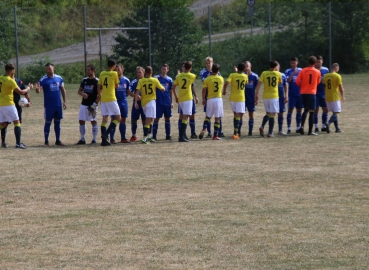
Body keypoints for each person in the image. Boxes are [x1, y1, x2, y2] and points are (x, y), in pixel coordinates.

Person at [0, 63, 31, 149]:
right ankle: (18, 144)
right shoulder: (10, 81)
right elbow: (21, 92)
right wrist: (29, 88)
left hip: (0, 105)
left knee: (2, 124)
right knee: (17, 122)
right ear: (12, 71)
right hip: (9, 104)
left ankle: (6, 142)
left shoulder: (0, 78)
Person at [35, 63, 67, 146]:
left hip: (58, 105)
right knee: (48, 122)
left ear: (53, 68)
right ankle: (46, 141)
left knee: (57, 122)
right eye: (47, 69)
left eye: (49, 69)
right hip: (49, 105)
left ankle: (58, 140)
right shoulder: (43, 80)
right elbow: (39, 91)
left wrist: (64, 101)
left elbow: (63, 90)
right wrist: (37, 89)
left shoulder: (59, 78)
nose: (48, 70)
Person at [134, 66, 165, 144]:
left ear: (145, 73)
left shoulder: (141, 81)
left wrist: (135, 102)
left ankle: (149, 136)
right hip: (151, 102)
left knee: (150, 119)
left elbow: (137, 91)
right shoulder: (155, 80)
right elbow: (163, 89)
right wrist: (158, 82)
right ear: (151, 72)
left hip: (143, 102)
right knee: (148, 120)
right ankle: (145, 137)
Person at [254, 60, 282, 138]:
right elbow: (280, 83)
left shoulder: (264, 73)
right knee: (272, 114)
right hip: (274, 96)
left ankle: (262, 126)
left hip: (266, 96)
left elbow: (259, 84)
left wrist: (256, 94)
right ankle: (270, 133)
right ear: (276, 66)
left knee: (268, 113)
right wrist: (277, 71)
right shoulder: (278, 73)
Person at [296, 55, 321, 136]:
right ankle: (310, 131)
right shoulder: (317, 72)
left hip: (303, 93)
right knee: (312, 112)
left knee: (305, 110)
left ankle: (302, 127)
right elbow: (318, 82)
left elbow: (297, 81)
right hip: (312, 93)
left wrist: (302, 86)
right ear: (315, 63)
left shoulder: (303, 70)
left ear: (308, 62)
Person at [97, 59, 120, 146]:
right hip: (111, 98)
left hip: (103, 99)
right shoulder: (114, 73)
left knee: (105, 119)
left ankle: (104, 141)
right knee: (118, 118)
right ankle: (105, 135)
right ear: (113, 66)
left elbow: (99, 87)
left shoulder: (102, 73)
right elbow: (117, 86)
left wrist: (100, 95)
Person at [172, 61, 197, 142]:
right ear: (190, 68)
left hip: (181, 99)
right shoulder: (192, 76)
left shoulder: (178, 76)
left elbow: (173, 87)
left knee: (182, 116)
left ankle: (182, 135)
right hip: (188, 98)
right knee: (185, 117)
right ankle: (181, 137)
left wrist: (176, 96)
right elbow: (191, 83)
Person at [222, 63, 248, 139]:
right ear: (243, 69)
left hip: (233, 98)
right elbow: (246, 82)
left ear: (237, 68)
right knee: (239, 116)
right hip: (240, 98)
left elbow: (226, 82)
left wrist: (224, 91)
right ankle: (236, 133)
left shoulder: (232, 75)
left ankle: (236, 131)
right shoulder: (245, 76)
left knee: (235, 115)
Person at [200, 57, 224, 137]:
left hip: (209, 98)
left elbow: (205, 84)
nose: (208, 64)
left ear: (212, 63)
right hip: (215, 97)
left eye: (209, 63)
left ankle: (211, 130)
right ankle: (212, 134)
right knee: (217, 116)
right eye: (206, 63)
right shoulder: (220, 78)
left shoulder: (209, 78)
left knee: (208, 116)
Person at [76, 64, 99, 145]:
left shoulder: (97, 81)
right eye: (87, 70)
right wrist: (83, 94)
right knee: (81, 120)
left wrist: (94, 105)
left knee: (93, 121)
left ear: (93, 71)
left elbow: (100, 95)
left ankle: (94, 139)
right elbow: (79, 91)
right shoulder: (84, 80)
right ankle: (82, 139)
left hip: (92, 104)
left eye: (89, 70)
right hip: (84, 104)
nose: (87, 71)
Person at [109, 64, 131, 143]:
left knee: (123, 119)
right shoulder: (113, 79)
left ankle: (123, 138)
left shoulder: (126, 80)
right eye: (116, 70)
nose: (117, 71)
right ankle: (111, 138)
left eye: (118, 70)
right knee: (114, 119)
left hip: (124, 103)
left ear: (122, 70)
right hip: (115, 102)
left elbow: (128, 92)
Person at [322, 63, 345, 133]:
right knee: (337, 112)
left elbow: (324, 87)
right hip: (334, 97)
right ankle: (328, 123)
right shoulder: (337, 76)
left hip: (327, 97)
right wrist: (342, 96)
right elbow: (341, 87)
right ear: (336, 68)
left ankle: (337, 128)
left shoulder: (325, 76)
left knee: (334, 112)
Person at [153, 64, 173, 140]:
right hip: (158, 102)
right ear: (161, 70)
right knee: (156, 118)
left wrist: (171, 102)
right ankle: (154, 135)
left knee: (167, 118)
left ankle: (168, 135)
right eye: (162, 69)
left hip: (167, 102)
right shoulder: (156, 78)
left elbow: (170, 91)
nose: (164, 70)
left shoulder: (170, 79)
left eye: (165, 69)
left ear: (168, 70)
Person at [285, 57, 303, 134]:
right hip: (291, 94)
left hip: (300, 94)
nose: (293, 64)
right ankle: (289, 128)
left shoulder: (301, 70)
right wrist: (292, 74)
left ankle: (298, 127)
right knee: (290, 110)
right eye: (292, 63)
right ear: (290, 63)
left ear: (297, 63)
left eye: (294, 62)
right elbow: (287, 81)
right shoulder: (288, 71)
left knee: (299, 110)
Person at [129, 66, 146, 142]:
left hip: (145, 103)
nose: (138, 74)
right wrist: (136, 96)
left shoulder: (147, 81)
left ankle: (145, 135)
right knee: (134, 120)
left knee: (145, 120)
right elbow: (129, 92)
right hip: (136, 103)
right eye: (137, 72)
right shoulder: (134, 82)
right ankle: (134, 135)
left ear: (144, 72)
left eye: (140, 72)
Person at [314, 55, 330, 132]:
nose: (318, 63)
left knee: (325, 109)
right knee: (315, 110)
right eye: (316, 62)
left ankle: (324, 125)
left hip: (323, 92)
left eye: (319, 62)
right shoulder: (313, 70)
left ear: (322, 62)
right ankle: (316, 126)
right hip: (315, 92)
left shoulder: (326, 70)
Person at [243, 61, 259, 136]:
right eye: (245, 65)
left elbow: (257, 87)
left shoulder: (255, 76)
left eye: (247, 65)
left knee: (251, 115)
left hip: (251, 98)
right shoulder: (242, 76)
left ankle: (250, 131)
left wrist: (256, 96)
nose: (246, 66)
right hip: (242, 98)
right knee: (240, 114)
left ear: (251, 66)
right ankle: (238, 131)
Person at [276, 64, 288, 135]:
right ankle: (270, 130)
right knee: (272, 113)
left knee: (281, 113)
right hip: (273, 97)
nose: (275, 68)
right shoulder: (272, 75)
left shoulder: (283, 75)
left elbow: (286, 86)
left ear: (279, 67)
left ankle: (280, 130)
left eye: (277, 67)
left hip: (281, 97)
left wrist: (286, 95)